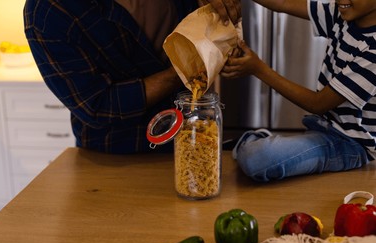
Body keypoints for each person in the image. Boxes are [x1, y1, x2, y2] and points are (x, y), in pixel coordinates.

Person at [23, 0, 241, 154]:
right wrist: (187, 70)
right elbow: (97, 106)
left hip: (194, 139)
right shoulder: (48, 11)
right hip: (115, 152)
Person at [220, 0, 376, 182]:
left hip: (349, 145)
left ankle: (254, 141)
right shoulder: (342, 12)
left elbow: (318, 103)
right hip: (323, 127)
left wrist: (258, 69)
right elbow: (283, 3)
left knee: (258, 159)